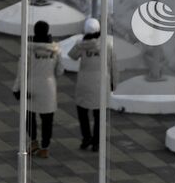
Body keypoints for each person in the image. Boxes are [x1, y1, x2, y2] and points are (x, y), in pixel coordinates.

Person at [12, 19, 63, 158]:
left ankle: (33, 142)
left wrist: (16, 88)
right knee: (47, 120)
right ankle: (45, 148)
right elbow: (60, 71)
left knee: (29, 116)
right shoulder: (55, 50)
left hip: (31, 86)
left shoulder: (28, 49)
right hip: (49, 88)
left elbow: (22, 71)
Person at [68, 17, 119, 152]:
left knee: (82, 113)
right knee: (99, 115)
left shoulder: (82, 45)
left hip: (84, 83)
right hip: (102, 83)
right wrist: (114, 82)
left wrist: (81, 43)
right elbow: (114, 65)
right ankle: (97, 142)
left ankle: (86, 138)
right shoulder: (107, 45)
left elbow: (72, 55)